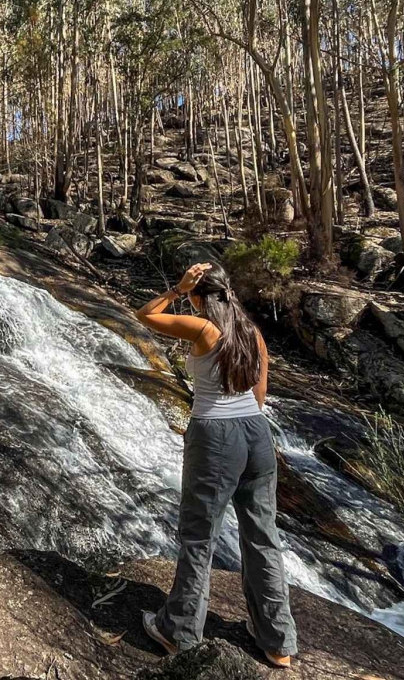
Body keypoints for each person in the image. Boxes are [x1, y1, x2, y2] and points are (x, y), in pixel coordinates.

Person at [135, 261, 296, 669]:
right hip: (257, 434)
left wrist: (175, 289)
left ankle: (180, 632)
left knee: (199, 536)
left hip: (215, 435)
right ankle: (277, 642)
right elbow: (260, 395)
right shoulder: (252, 333)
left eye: (192, 295)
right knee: (263, 536)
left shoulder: (205, 329)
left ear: (199, 296)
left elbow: (146, 316)